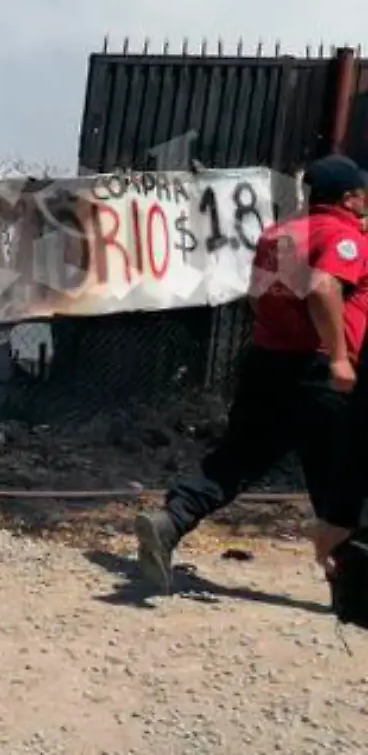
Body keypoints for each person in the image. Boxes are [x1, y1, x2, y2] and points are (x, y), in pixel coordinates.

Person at [135, 154, 368, 593]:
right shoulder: (342, 236)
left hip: (267, 364)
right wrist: (338, 356)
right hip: (319, 373)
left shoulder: (279, 234)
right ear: (351, 198)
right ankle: (354, 587)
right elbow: (323, 286)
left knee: (237, 459)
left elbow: (258, 298)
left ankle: (171, 520)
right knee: (342, 479)